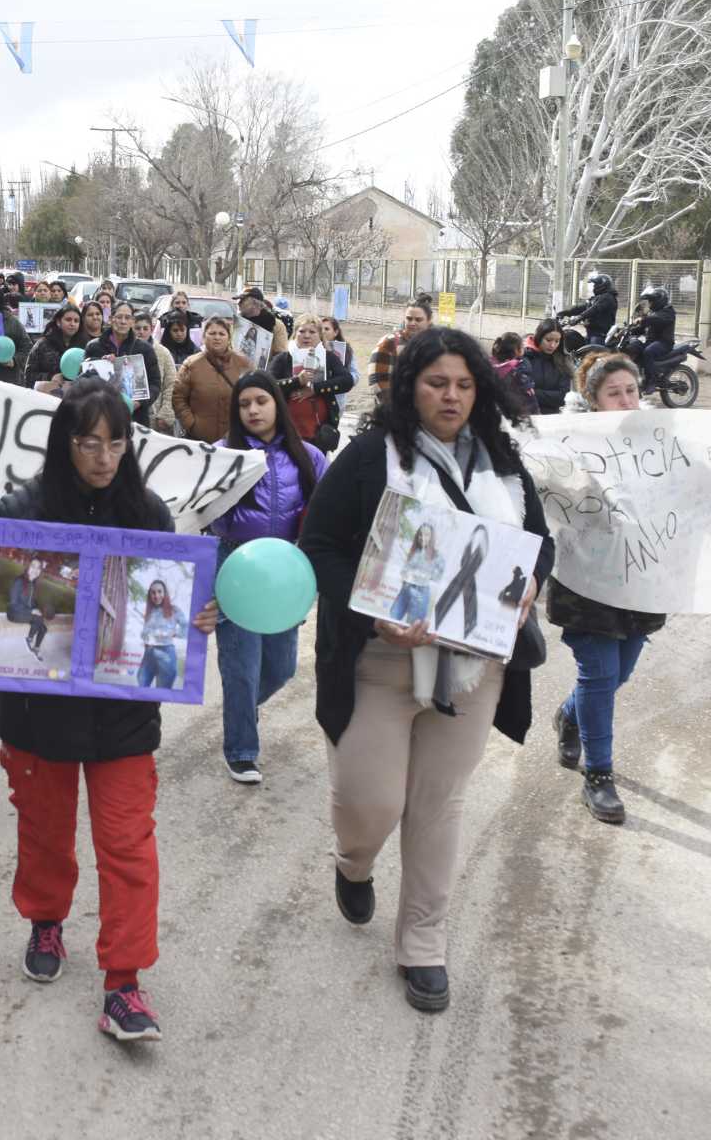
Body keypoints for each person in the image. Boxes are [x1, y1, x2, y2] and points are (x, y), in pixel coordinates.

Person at [0, 380, 219, 1044]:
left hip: (123, 720)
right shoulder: (22, 509)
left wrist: (200, 615)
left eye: (116, 441)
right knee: (44, 834)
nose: (103, 456)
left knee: (127, 847)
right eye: (89, 442)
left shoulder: (149, 513)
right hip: (37, 718)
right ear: (66, 443)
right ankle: (45, 918)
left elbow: (168, 609)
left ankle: (124, 982)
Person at [299, 328, 554, 1013]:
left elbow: (541, 545)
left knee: (438, 807)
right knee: (370, 804)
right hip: (380, 662)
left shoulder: (503, 465)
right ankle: (354, 862)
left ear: (482, 391)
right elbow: (316, 545)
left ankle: (423, 944)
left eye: (465, 385)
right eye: (438, 382)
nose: (452, 396)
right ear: (410, 384)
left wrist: (530, 583)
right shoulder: (368, 458)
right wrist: (368, 606)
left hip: (472, 672)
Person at [546, 355, 661, 824]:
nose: (626, 400)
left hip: (640, 579)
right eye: (614, 392)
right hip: (586, 582)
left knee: (619, 674)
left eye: (631, 390)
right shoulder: (568, 445)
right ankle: (599, 775)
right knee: (599, 674)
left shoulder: (660, 440)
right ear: (593, 401)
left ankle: (569, 715)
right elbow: (551, 498)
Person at [210, 372, 327, 783]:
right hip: (235, 568)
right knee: (241, 667)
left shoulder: (309, 457)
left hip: (285, 572)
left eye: (261, 401)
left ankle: (241, 708)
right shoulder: (223, 455)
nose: (253, 410)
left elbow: (325, 515)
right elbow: (198, 511)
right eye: (244, 405)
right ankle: (241, 749)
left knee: (281, 667)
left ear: (277, 403)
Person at [270, 314, 352, 452]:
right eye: (302, 331)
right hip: (287, 431)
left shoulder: (328, 357)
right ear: (295, 334)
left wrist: (315, 388)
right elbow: (268, 385)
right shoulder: (282, 359)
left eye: (312, 332)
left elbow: (347, 381)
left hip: (318, 434)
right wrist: (296, 381)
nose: (306, 336)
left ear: (320, 335)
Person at [172, 315, 251, 443]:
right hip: (199, 439)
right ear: (204, 337)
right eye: (212, 333)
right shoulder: (192, 364)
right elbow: (178, 397)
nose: (217, 337)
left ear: (229, 338)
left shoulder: (243, 363)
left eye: (222, 334)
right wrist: (191, 424)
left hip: (234, 439)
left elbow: (252, 394)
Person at [83, 301, 158, 425]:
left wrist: (139, 402)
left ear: (132, 321)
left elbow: (155, 384)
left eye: (127, 317)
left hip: (135, 418)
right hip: (101, 417)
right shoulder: (94, 347)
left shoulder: (145, 349)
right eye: (119, 317)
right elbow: (84, 381)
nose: (123, 321)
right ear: (111, 319)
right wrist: (100, 365)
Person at [369, 300, 431, 407]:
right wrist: (395, 410)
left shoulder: (435, 344)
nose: (412, 323)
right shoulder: (389, 343)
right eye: (409, 318)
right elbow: (377, 382)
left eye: (418, 319)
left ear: (428, 321)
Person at [521, 319, 575, 414]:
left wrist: (533, 393)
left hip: (552, 418)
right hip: (527, 415)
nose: (552, 345)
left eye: (557, 341)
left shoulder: (563, 361)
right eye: (548, 340)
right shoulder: (525, 357)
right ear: (539, 337)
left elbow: (563, 397)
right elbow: (519, 392)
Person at [27, 304, 83, 395]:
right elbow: (28, 375)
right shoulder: (43, 344)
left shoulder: (83, 346)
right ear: (58, 322)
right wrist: (50, 377)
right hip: (47, 397)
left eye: (76, 321)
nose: (72, 324)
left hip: (75, 398)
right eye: (68, 320)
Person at [556, 272, 618, 344]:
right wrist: (566, 312)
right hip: (591, 333)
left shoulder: (608, 297)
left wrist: (579, 317)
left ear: (602, 285)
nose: (594, 286)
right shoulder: (598, 298)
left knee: (592, 353)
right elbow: (583, 307)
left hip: (599, 335)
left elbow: (594, 309)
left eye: (596, 284)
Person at [235, 288, 289, 354]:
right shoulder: (237, 321)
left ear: (254, 303)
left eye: (242, 300)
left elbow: (281, 354)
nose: (238, 303)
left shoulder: (276, 325)